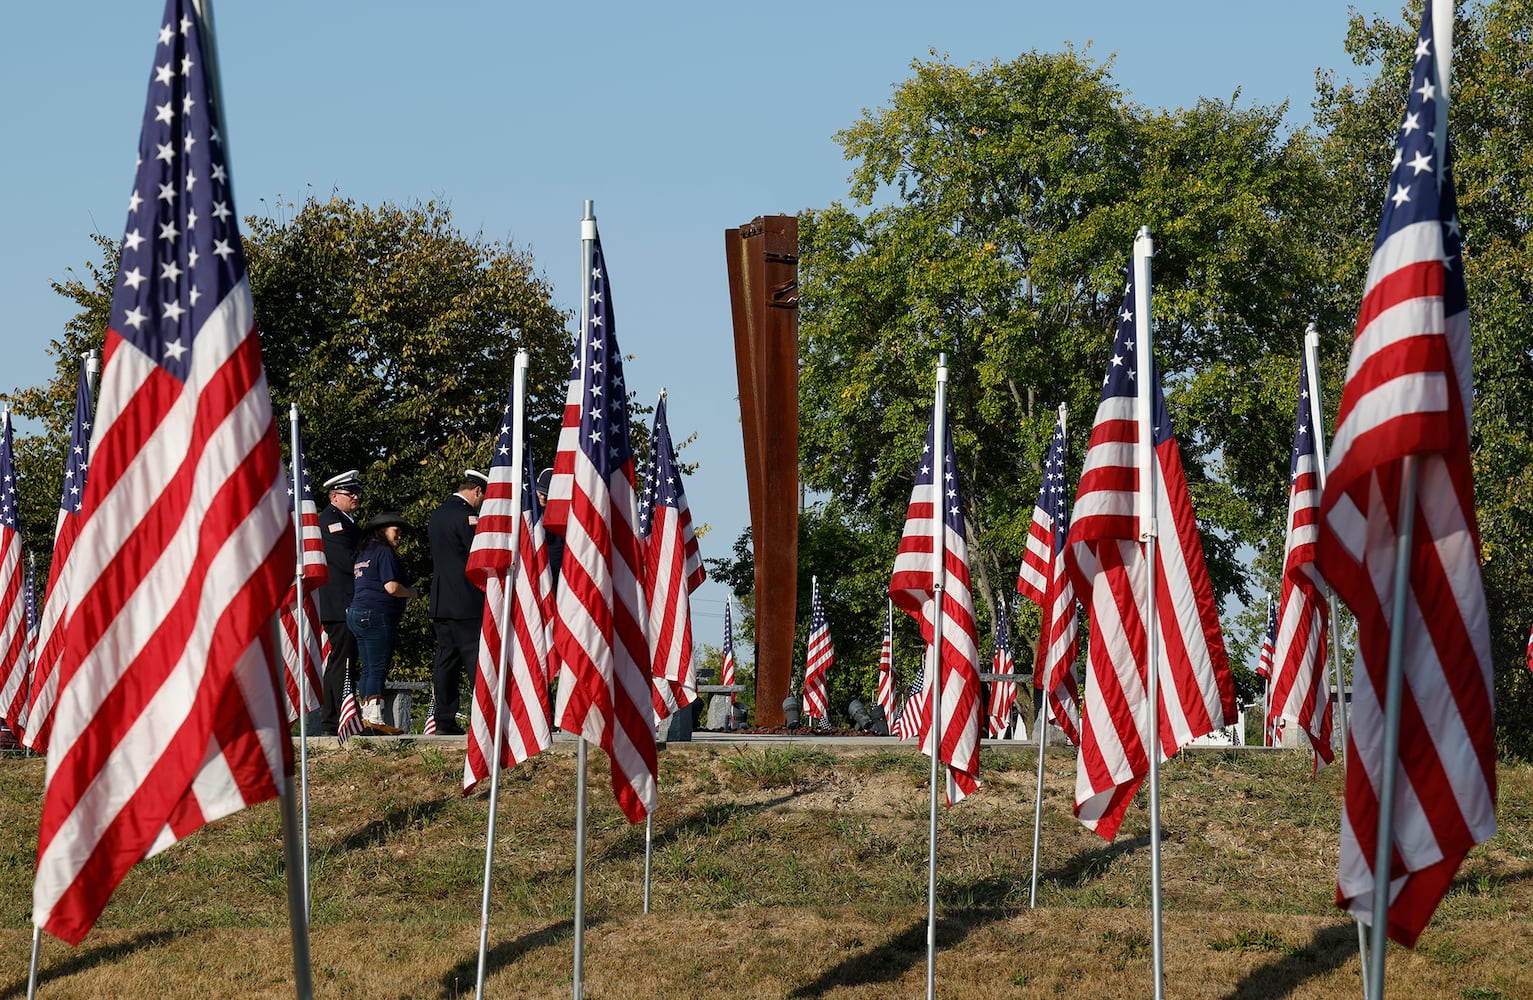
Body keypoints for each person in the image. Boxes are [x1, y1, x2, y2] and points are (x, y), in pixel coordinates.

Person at [426, 469, 488, 735]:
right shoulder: (468, 517)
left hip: (442, 600)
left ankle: (444, 719)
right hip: (466, 600)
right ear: (476, 491)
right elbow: (477, 553)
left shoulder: (437, 514)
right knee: (475, 660)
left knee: (445, 662)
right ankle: (484, 718)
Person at [348, 511, 420, 734]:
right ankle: (376, 719)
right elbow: (391, 587)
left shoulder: (363, 553)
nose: (399, 536)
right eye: (396, 531)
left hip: (356, 613)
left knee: (368, 667)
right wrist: (411, 593)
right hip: (377, 614)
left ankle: (367, 717)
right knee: (378, 668)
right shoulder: (384, 552)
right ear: (382, 530)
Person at [315, 470, 364, 736]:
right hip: (339, 602)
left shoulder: (346, 521)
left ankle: (340, 716)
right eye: (350, 493)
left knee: (345, 660)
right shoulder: (332, 523)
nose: (356, 496)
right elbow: (346, 561)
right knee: (340, 661)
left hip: (346, 600)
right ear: (335, 496)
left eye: (357, 492)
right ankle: (333, 720)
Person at [536, 468, 565, 585]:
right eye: (541, 493)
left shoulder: (561, 516)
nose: (543, 498)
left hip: (556, 574)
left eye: (547, 495)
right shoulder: (529, 512)